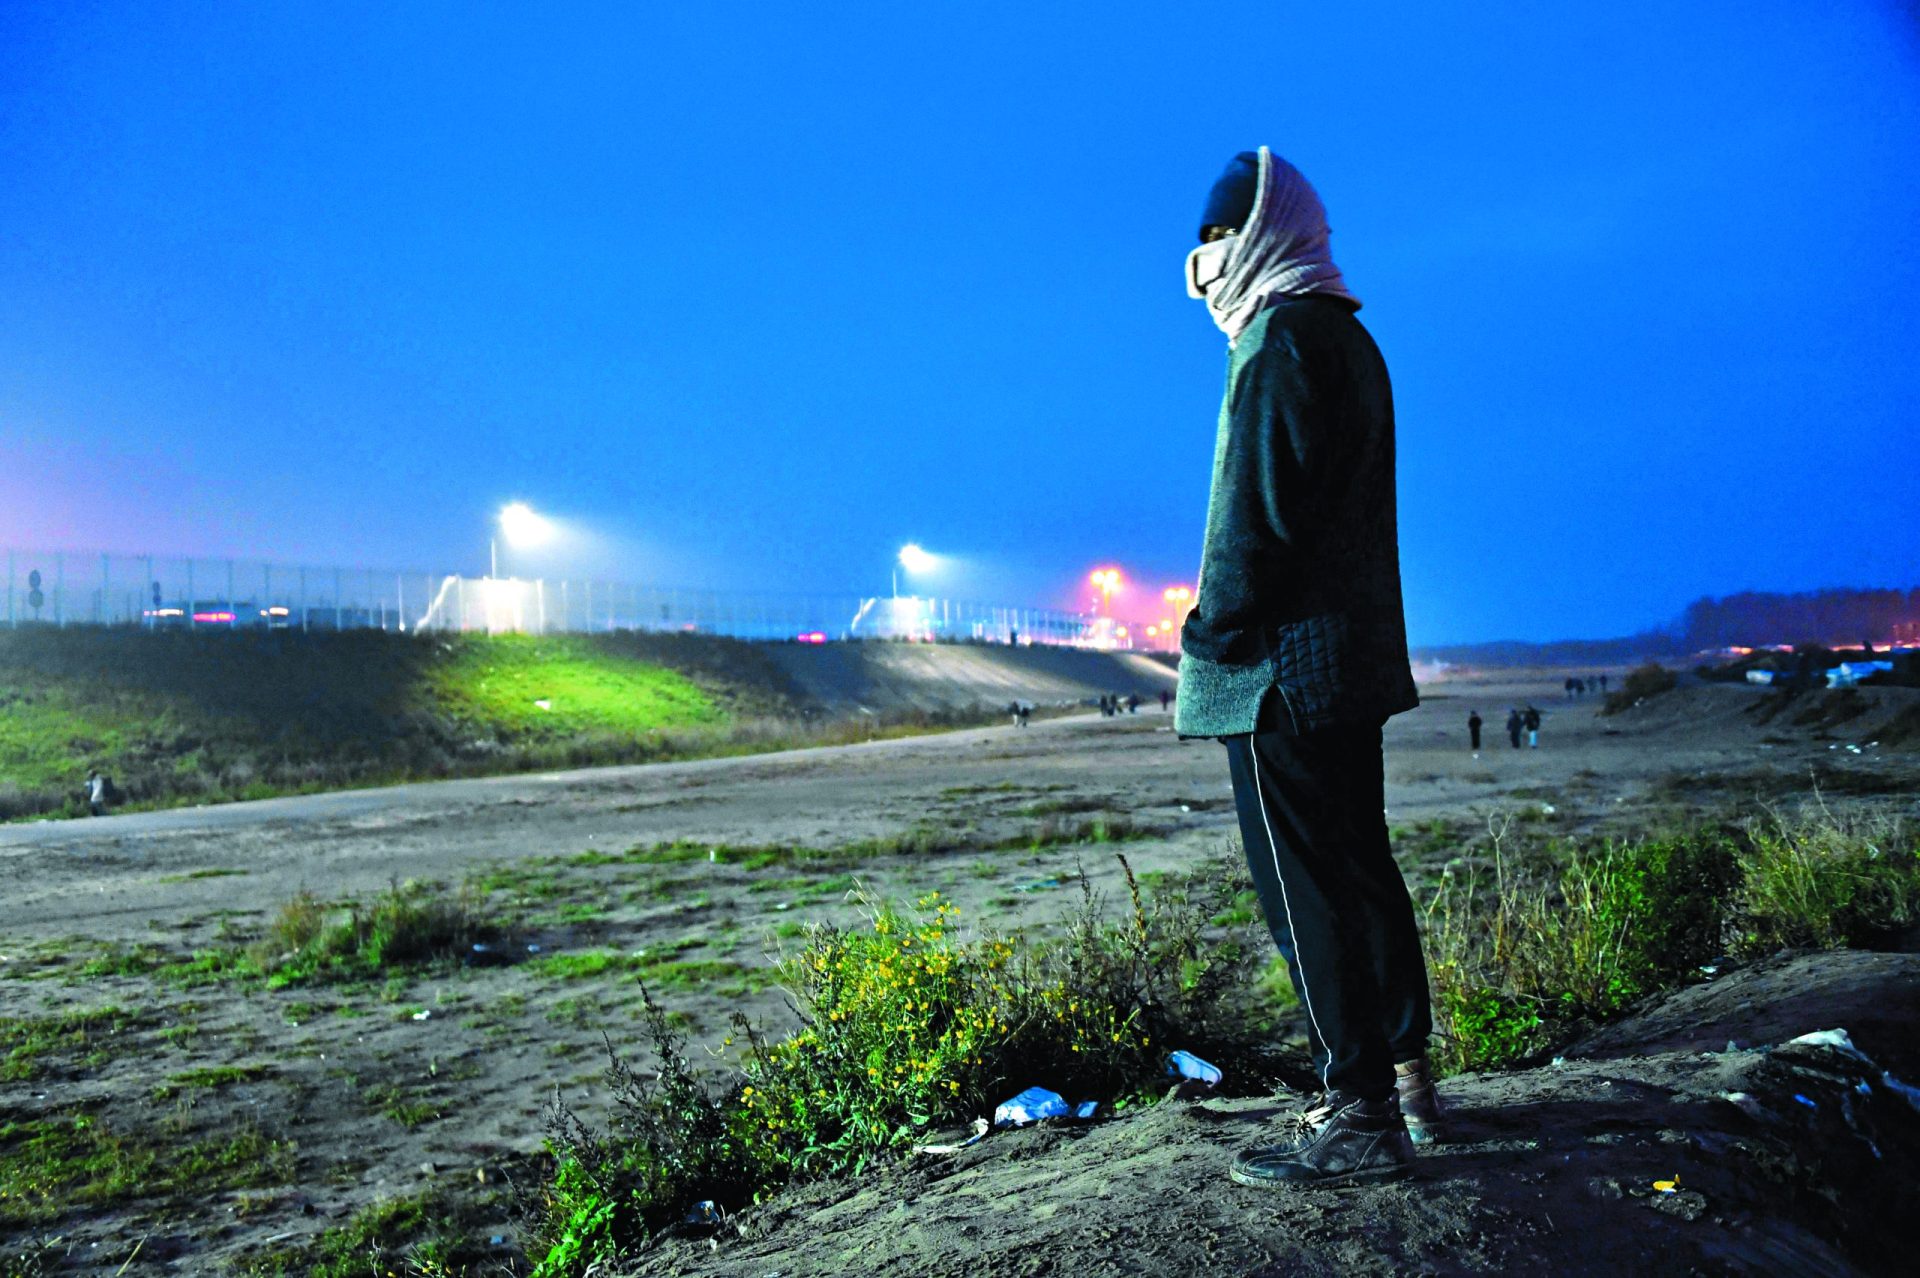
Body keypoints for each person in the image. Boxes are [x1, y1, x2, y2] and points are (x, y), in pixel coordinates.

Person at [1173, 147, 1437, 1187]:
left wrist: (1210, 630)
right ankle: (1411, 1088)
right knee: (1361, 870)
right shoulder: (1347, 337)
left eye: (1219, 237)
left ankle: (1357, 1111)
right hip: (1345, 662)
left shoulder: (1278, 340)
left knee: (1305, 893)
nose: (1204, 263)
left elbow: (1257, 518)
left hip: (1278, 670)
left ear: (1270, 232)